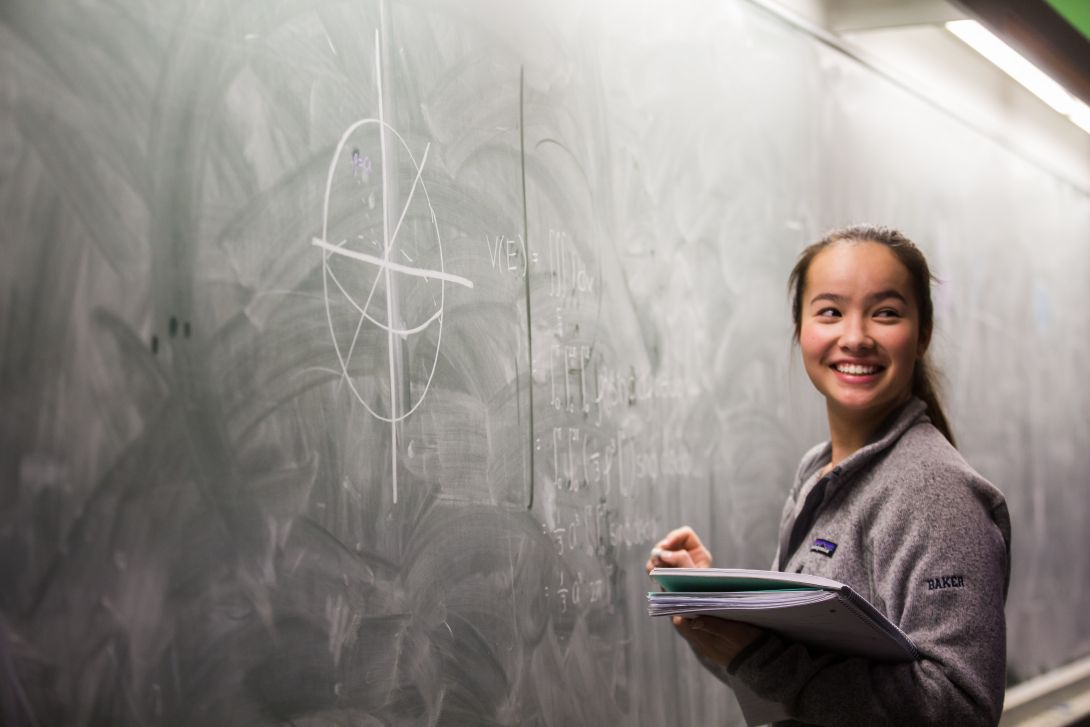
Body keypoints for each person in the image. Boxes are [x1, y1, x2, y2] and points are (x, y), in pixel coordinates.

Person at [647, 225, 1011, 726]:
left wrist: (761, 656)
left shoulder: (935, 492)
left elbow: (961, 711)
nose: (856, 337)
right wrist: (719, 614)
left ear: (922, 333)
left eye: (885, 313)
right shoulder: (818, 471)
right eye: (830, 312)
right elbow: (792, 689)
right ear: (800, 329)